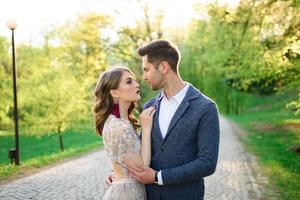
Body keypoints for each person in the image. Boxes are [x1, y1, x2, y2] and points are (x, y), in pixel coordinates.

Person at [106, 39, 220, 200]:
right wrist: (119, 174)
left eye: (146, 70)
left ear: (163, 67)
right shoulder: (149, 106)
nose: (144, 77)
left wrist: (158, 177)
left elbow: (207, 163)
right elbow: (136, 152)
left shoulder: (205, 107)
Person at [94, 67, 156, 200]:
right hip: (127, 194)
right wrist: (146, 129)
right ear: (114, 93)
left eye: (134, 81)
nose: (137, 84)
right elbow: (142, 168)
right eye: (129, 82)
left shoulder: (124, 121)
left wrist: (115, 172)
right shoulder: (118, 126)